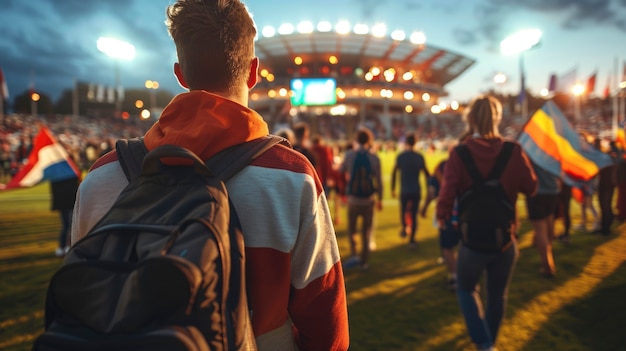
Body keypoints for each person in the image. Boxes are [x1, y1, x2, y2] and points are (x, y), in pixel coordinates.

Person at [70, 1, 349, 350]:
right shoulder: (292, 177)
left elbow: (82, 301)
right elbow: (328, 329)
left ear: (180, 75)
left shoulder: (100, 179)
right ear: (254, 71)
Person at [436, 95, 537, 351]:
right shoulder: (513, 150)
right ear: (497, 117)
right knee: (497, 297)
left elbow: (446, 194)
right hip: (505, 239)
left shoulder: (459, 153)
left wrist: (442, 217)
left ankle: (483, 342)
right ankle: (489, 342)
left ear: (469, 119)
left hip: (471, 239)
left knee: (465, 289)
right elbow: (532, 187)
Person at [339, 127, 383, 270]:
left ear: (357, 139)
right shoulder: (374, 157)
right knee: (366, 231)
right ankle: (364, 262)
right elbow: (379, 180)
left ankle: (355, 255)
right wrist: (380, 198)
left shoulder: (350, 155)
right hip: (368, 199)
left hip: (353, 198)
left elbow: (340, 171)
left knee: (352, 229)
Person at [421, 159, 459, 290]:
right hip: (468, 213)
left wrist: (424, 208)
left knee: (447, 247)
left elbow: (431, 192)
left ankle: (455, 277)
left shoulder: (440, 168)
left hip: (448, 212)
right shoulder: (470, 165)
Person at [391, 131, 430, 248]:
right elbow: (427, 174)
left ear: (406, 142)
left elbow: (394, 172)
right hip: (416, 190)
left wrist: (393, 187)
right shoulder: (419, 157)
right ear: (416, 142)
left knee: (403, 211)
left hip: (404, 189)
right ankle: (412, 239)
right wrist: (429, 188)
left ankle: (404, 228)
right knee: (413, 214)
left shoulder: (401, 156)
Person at [526, 161, 560, 277]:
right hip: (553, 191)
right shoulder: (553, 149)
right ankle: (549, 259)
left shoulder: (531, 150)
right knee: (549, 225)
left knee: (541, 231)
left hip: (537, 192)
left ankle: (548, 267)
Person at [51, 175, 80, 257]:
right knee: (69, 225)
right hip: (68, 202)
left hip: (64, 203)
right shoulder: (70, 173)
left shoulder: (57, 174)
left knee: (68, 225)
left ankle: (64, 247)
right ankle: (65, 246)